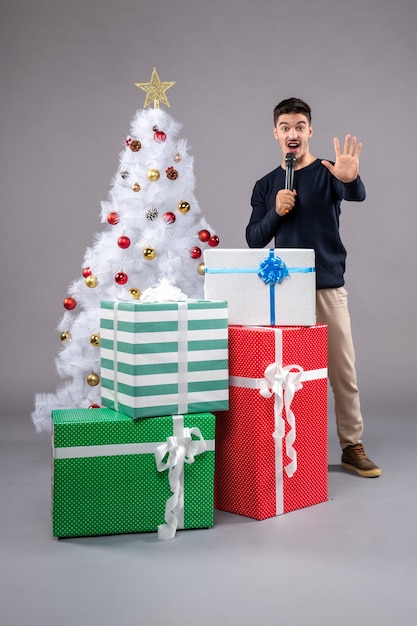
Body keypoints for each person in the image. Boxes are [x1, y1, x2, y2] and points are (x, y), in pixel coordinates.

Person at [246, 97, 381, 478]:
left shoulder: (327, 172)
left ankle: (351, 446)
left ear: (310, 131)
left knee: (342, 372)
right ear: (276, 133)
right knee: (285, 375)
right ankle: (290, 451)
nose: (293, 133)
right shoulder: (267, 184)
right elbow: (255, 239)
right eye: (286, 127)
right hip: (284, 291)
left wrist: (349, 177)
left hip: (327, 287)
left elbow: (357, 194)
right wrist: (277, 210)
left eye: (300, 126)